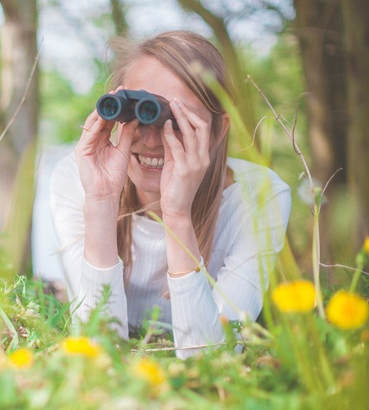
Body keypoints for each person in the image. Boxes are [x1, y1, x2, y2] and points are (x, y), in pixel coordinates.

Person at [49, 30, 291, 359]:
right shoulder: (78, 177)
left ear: (218, 130)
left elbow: (210, 358)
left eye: (176, 121)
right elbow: (99, 349)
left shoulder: (261, 196)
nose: (150, 140)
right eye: (136, 114)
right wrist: (102, 201)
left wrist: (177, 215)